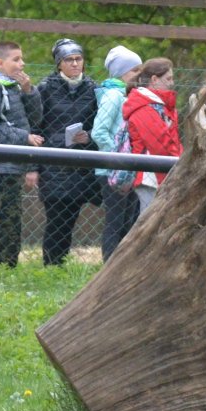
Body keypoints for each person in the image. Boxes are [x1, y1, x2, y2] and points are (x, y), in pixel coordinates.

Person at [0, 41, 45, 269]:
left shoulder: (14, 88)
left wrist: (29, 92)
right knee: (0, 219)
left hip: (15, 165)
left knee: (13, 220)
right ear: (0, 63)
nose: (22, 64)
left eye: (21, 58)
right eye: (16, 59)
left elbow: (35, 120)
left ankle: (9, 266)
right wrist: (23, 137)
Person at [33, 38, 101, 267]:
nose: (74, 64)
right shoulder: (45, 88)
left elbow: (100, 126)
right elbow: (35, 127)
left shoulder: (93, 89)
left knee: (71, 217)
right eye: (69, 60)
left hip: (82, 165)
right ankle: (51, 265)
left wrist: (88, 136)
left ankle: (61, 262)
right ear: (59, 64)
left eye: (78, 59)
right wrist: (33, 166)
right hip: (53, 164)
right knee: (56, 219)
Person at [92, 45, 143, 260]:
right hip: (112, 170)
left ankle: (122, 263)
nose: (139, 76)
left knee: (128, 220)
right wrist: (117, 155)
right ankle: (109, 265)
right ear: (121, 73)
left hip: (127, 168)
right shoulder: (113, 95)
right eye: (135, 71)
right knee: (116, 220)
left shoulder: (128, 94)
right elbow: (99, 131)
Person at [120, 57, 180, 215]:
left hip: (160, 173)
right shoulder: (144, 106)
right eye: (168, 78)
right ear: (154, 79)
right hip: (150, 177)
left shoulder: (158, 106)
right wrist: (181, 161)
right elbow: (160, 144)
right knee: (148, 222)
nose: (172, 83)